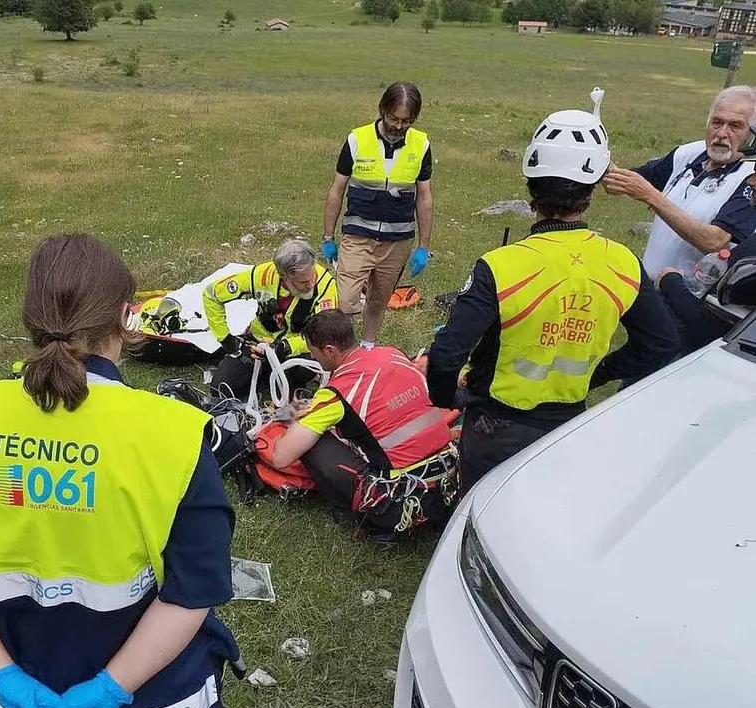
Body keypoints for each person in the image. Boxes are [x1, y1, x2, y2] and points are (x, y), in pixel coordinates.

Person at [0, 234, 240, 708]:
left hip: (8, 698)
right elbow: (194, 589)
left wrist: (1, 676)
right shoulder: (174, 434)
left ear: (30, 319)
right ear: (126, 318)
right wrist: (111, 688)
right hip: (153, 698)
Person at [425, 95, 679, 488]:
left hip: (496, 425)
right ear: (592, 187)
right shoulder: (623, 262)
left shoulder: (501, 266)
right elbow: (661, 342)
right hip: (566, 424)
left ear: (531, 185)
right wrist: (599, 374)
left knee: (476, 507)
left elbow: (446, 355)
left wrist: (448, 399)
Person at [269, 310, 457, 535]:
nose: (312, 357)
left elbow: (281, 458)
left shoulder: (337, 393)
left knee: (313, 442)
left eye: (314, 352)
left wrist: (292, 422)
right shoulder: (393, 354)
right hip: (448, 481)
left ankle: (351, 512)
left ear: (330, 350)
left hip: (400, 505)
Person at [321, 81, 434, 349]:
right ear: (383, 110)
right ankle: (344, 352)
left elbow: (425, 197)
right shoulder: (357, 140)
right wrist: (328, 236)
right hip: (358, 235)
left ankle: (368, 346)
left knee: (379, 299)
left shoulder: (421, 144)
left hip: (397, 241)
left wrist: (423, 246)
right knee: (346, 300)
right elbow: (336, 190)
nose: (399, 126)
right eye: (394, 118)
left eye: (406, 121)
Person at [603, 86, 756, 281]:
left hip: (694, 295)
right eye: (716, 123)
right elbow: (623, 182)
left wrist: (652, 196)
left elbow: (715, 241)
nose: (722, 133)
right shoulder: (689, 153)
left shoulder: (751, 177)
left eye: (735, 126)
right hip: (651, 285)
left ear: (752, 133)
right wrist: (596, 157)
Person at [203, 238, 338, 399]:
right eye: (303, 282)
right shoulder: (263, 275)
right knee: (222, 387)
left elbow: (324, 334)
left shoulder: (325, 284)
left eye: (312, 277)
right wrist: (226, 340)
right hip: (258, 342)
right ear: (284, 277)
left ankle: (281, 378)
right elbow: (211, 294)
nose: (310, 284)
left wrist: (284, 347)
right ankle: (265, 372)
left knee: (299, 372)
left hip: (298, 348)